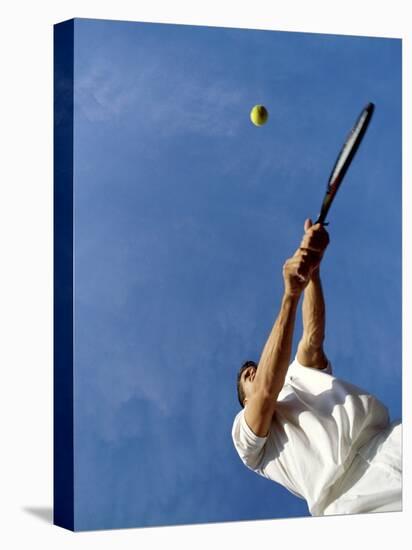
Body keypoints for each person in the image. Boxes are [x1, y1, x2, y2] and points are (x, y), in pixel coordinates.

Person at [231, 219, 402, 516]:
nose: (252, 370)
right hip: (353, 502)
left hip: (391, 441)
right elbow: (266, 391)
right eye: (247, 377)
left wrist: (311, 271)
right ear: (245, 400)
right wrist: (290, 296)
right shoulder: (247, 440)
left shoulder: (297, 374)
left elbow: (311, 338)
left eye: (254, 367)